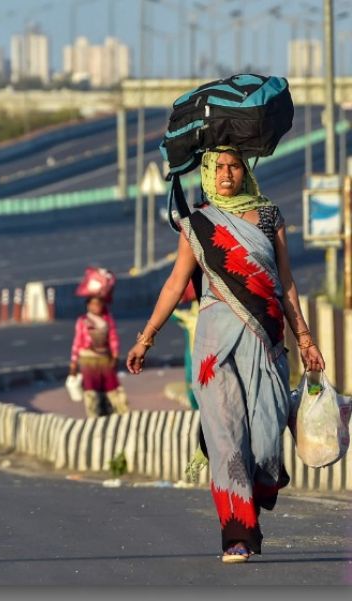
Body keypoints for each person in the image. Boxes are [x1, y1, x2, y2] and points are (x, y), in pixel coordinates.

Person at [126, 147, 325, 564]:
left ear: (245, 172)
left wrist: (305, 339)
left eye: (234, 166)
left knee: (268, 436)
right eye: (218, 167)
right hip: (214, 346)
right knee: (225, 435)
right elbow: (174, 284)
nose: (226, 174)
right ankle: (237, 531)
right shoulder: (197, 224)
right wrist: (146, 338)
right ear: (206, 172)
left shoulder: (269, 217)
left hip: (266, 339)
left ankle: (265, 483)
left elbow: (286, 283)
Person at [68, 295, 127, 417]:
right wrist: (73, 363)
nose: (97, 307)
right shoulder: (83, 321)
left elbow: (113, 339)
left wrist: (115, 356)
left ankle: (120, 415)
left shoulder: (107, 319)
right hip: (87, 359)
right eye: (93, 304)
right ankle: (94, 417)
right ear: (88, 305)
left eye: (99, 304)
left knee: (113, 389)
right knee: (91, 390)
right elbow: (77, 342)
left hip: (105, 359)